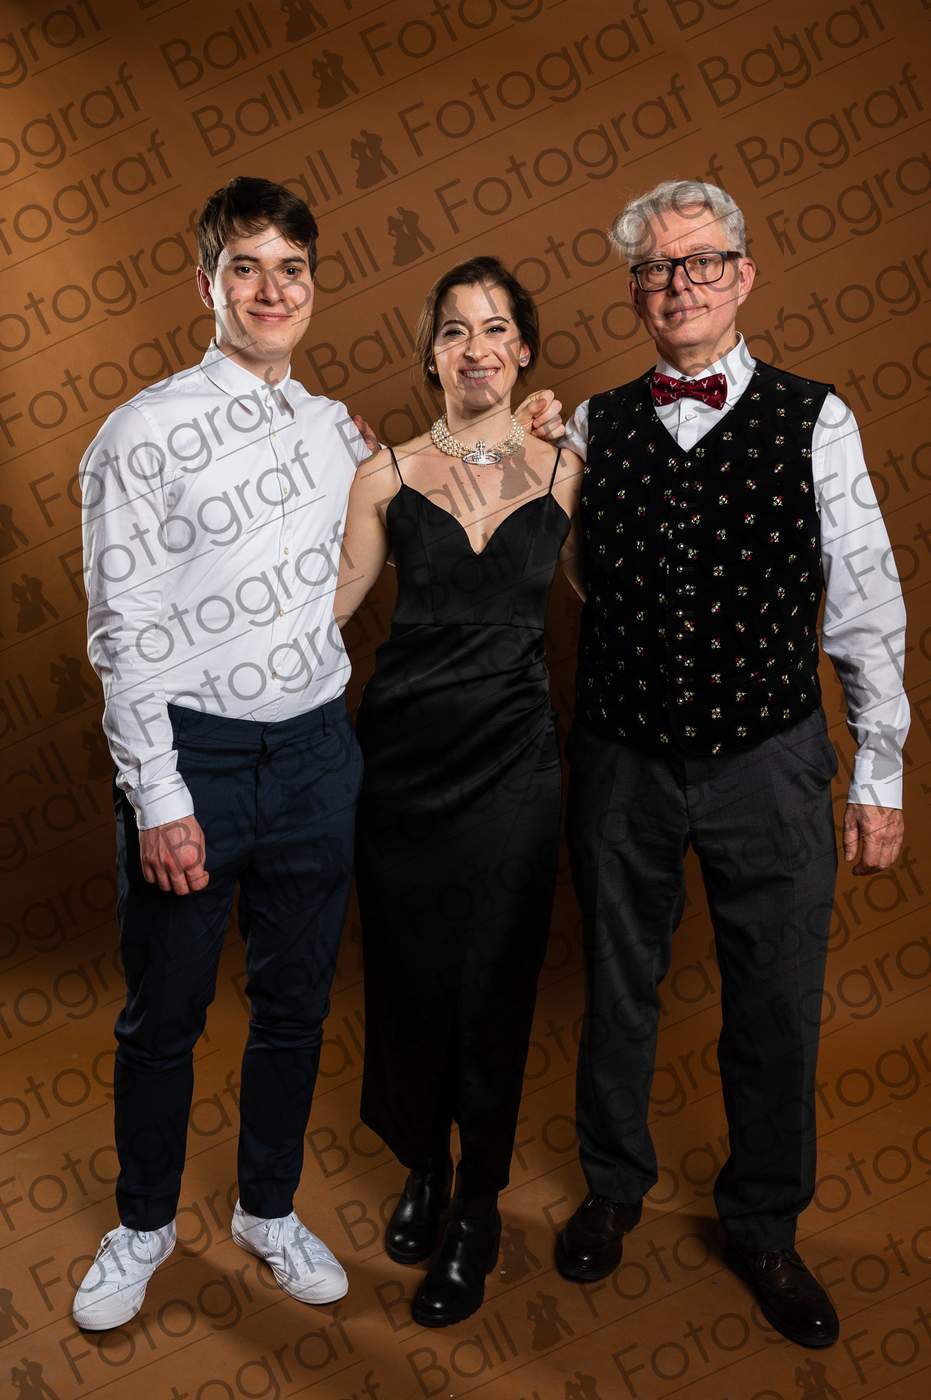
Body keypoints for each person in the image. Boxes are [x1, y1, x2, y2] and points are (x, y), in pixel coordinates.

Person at [551, 179, 909, 1349]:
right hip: (621, 756)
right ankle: (612, 1186)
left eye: (702, 260)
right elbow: (545, 554)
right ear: (634, 292)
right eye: (657, 267)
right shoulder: (592, 423)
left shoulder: (818, 417)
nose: (681, 284)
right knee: (617, 986)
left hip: (769, 758)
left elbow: (865, 605)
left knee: (776, 997)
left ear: (743, 275)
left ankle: (763, 1223)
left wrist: (879, 771)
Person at [73, 176, 371, 1329]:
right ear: (207, 283)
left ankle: (266, 1206)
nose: (269, 289)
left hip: (315, 754)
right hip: (193, 755)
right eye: (245, 267)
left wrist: (540, 431)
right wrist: (158, 795)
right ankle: (145, 1222)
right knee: (166, 1012)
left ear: (312, 285)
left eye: (290, 268)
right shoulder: (141, 431)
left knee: (294, 1004)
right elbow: (122, 628)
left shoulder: (335, 429)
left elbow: (429, 496)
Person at [335, 256, 584, 1327]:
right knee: (409, 976)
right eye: (452, 329)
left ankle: (477, 1201)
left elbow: (611, 591)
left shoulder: (568, 467)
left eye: (493, 328)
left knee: (494, 982)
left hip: (515, 766)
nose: (474, 346)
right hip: (402, 765)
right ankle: (423, 1165)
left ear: (522, 350)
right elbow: (324, 609)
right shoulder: (381, 474)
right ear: (430, 354)